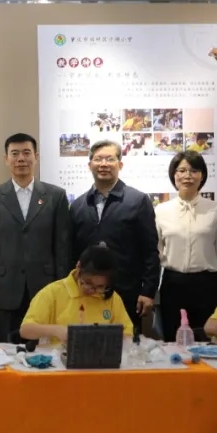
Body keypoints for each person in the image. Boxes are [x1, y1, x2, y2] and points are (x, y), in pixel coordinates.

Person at [0, 133, 72, 342]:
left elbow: (62, 247)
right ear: (6, 159)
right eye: (15, 154)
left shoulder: (55, 196)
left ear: (36, 157)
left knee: (45, 347)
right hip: (6, 288)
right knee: (7, 347)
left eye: (26, 153)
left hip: (45, 286)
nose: (21, 158)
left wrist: (63, 289)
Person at [70, 139, 159, 327]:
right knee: (86, 340)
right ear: (89, 165)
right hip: (87, 292)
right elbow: (72, 251)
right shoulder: (78, 205)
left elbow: (150, 250)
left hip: (127, 291)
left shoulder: (138, 201)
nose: (103, 164)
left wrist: (148, 291)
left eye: (110, 159)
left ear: (120, 165)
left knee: (126, 341)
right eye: (98, 159)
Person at [155, 151, 217, 342]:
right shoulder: (161, 211)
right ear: (174, 175)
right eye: (181, 170)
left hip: (206, 286)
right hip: (173, 285)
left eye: (194, 171)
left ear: (202, 176)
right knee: (172, 342)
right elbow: (156, 255)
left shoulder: (216, 210)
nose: (187, 176)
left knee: (206, 342)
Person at [20, 244, 133, 344]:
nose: (91, 290)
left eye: (100, 287)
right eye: (87, 283)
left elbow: (128, 334)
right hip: (58, 356)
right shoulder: (53, 292)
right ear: (78, 267)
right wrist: (56, 330)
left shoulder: (111, 298)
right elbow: (25, 330)